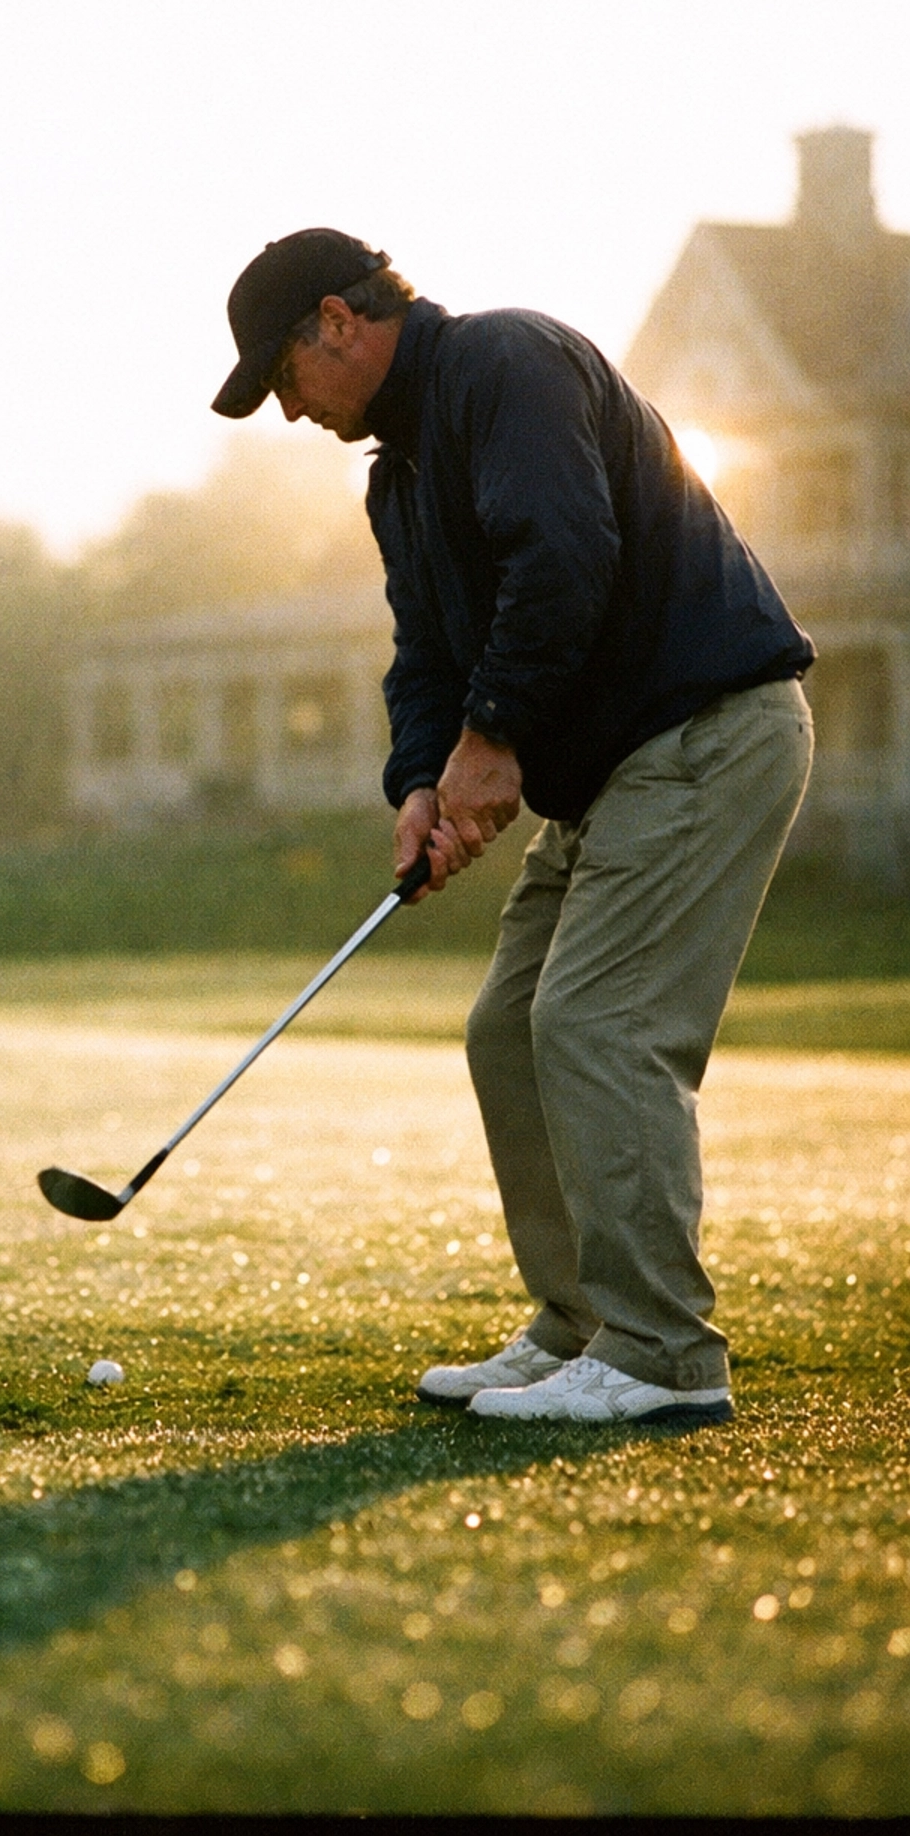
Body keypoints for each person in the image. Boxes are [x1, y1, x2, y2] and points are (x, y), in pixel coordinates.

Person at [213, 228, 814, 1425]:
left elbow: (564, 556)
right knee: (507, 1028)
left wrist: (495, 738)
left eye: (284, 378)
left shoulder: (506, 364)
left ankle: (660, 1354)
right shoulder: (401, 475)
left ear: (338, 322)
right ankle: (581, 1319)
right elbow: (425, 654)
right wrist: (424, 783)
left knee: (598, 1020)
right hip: (610, 767)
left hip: (703, 730)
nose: (288, 411)